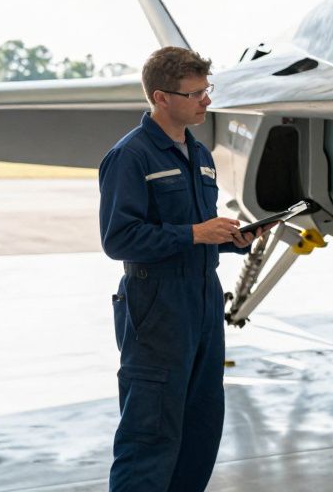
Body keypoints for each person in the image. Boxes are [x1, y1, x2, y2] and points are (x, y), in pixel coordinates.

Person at [99, 47, 272, 491]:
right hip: (156, 303)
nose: (206, 101)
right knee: (151, 431)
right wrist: (195, 233)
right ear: (161, 97)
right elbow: (118, 239)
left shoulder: (200, 155)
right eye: (195, 93)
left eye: (206, 90)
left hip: (203, 299)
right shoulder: (131, 157)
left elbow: (196, 231)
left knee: (201, 424)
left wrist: (232, 240)